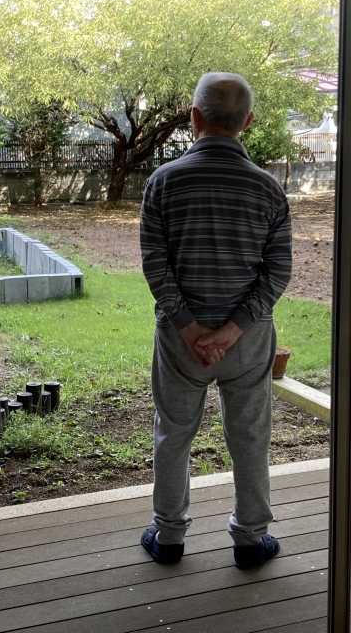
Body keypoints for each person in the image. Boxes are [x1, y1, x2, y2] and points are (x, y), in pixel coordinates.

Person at [139, 72, 292, 569]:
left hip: (180, 340)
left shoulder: (164, 181)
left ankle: (168, 537)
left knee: (173, 433)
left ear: (194, 117)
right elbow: (278, 271)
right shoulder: (268, 189)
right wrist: (231, 330)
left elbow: (155, 263)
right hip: (247, 340)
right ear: (247, 122)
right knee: (249, 437)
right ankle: (250, 540)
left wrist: (189, 328)